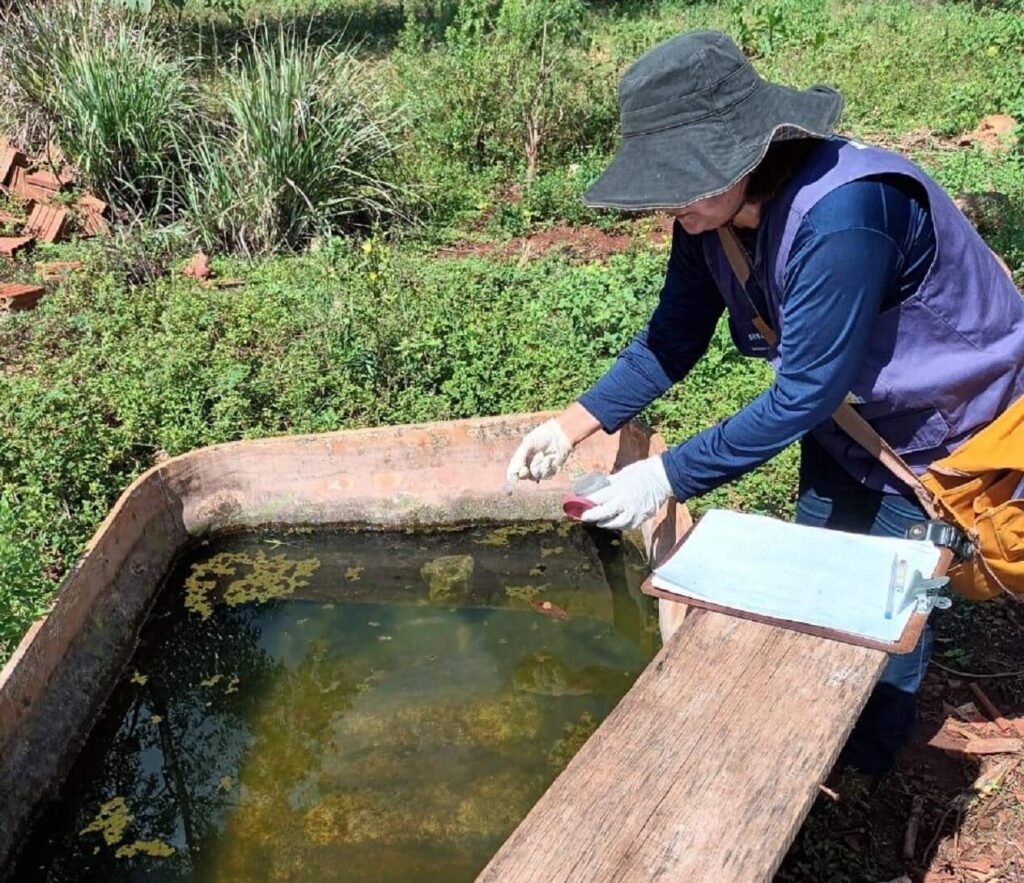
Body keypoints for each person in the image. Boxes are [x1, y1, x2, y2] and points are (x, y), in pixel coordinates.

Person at [505, 30, 1024, 774]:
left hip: (944, 426)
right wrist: (569, 426)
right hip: (854, 419)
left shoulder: (846, 217)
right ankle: (817, 729)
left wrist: (664, 476)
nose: (666, 206)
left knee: (890, 593)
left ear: (740, 156)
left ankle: (868, 765)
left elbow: (804, 392)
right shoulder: (708, 219)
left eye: (678, 182)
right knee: (815, 565)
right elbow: (670, 341)